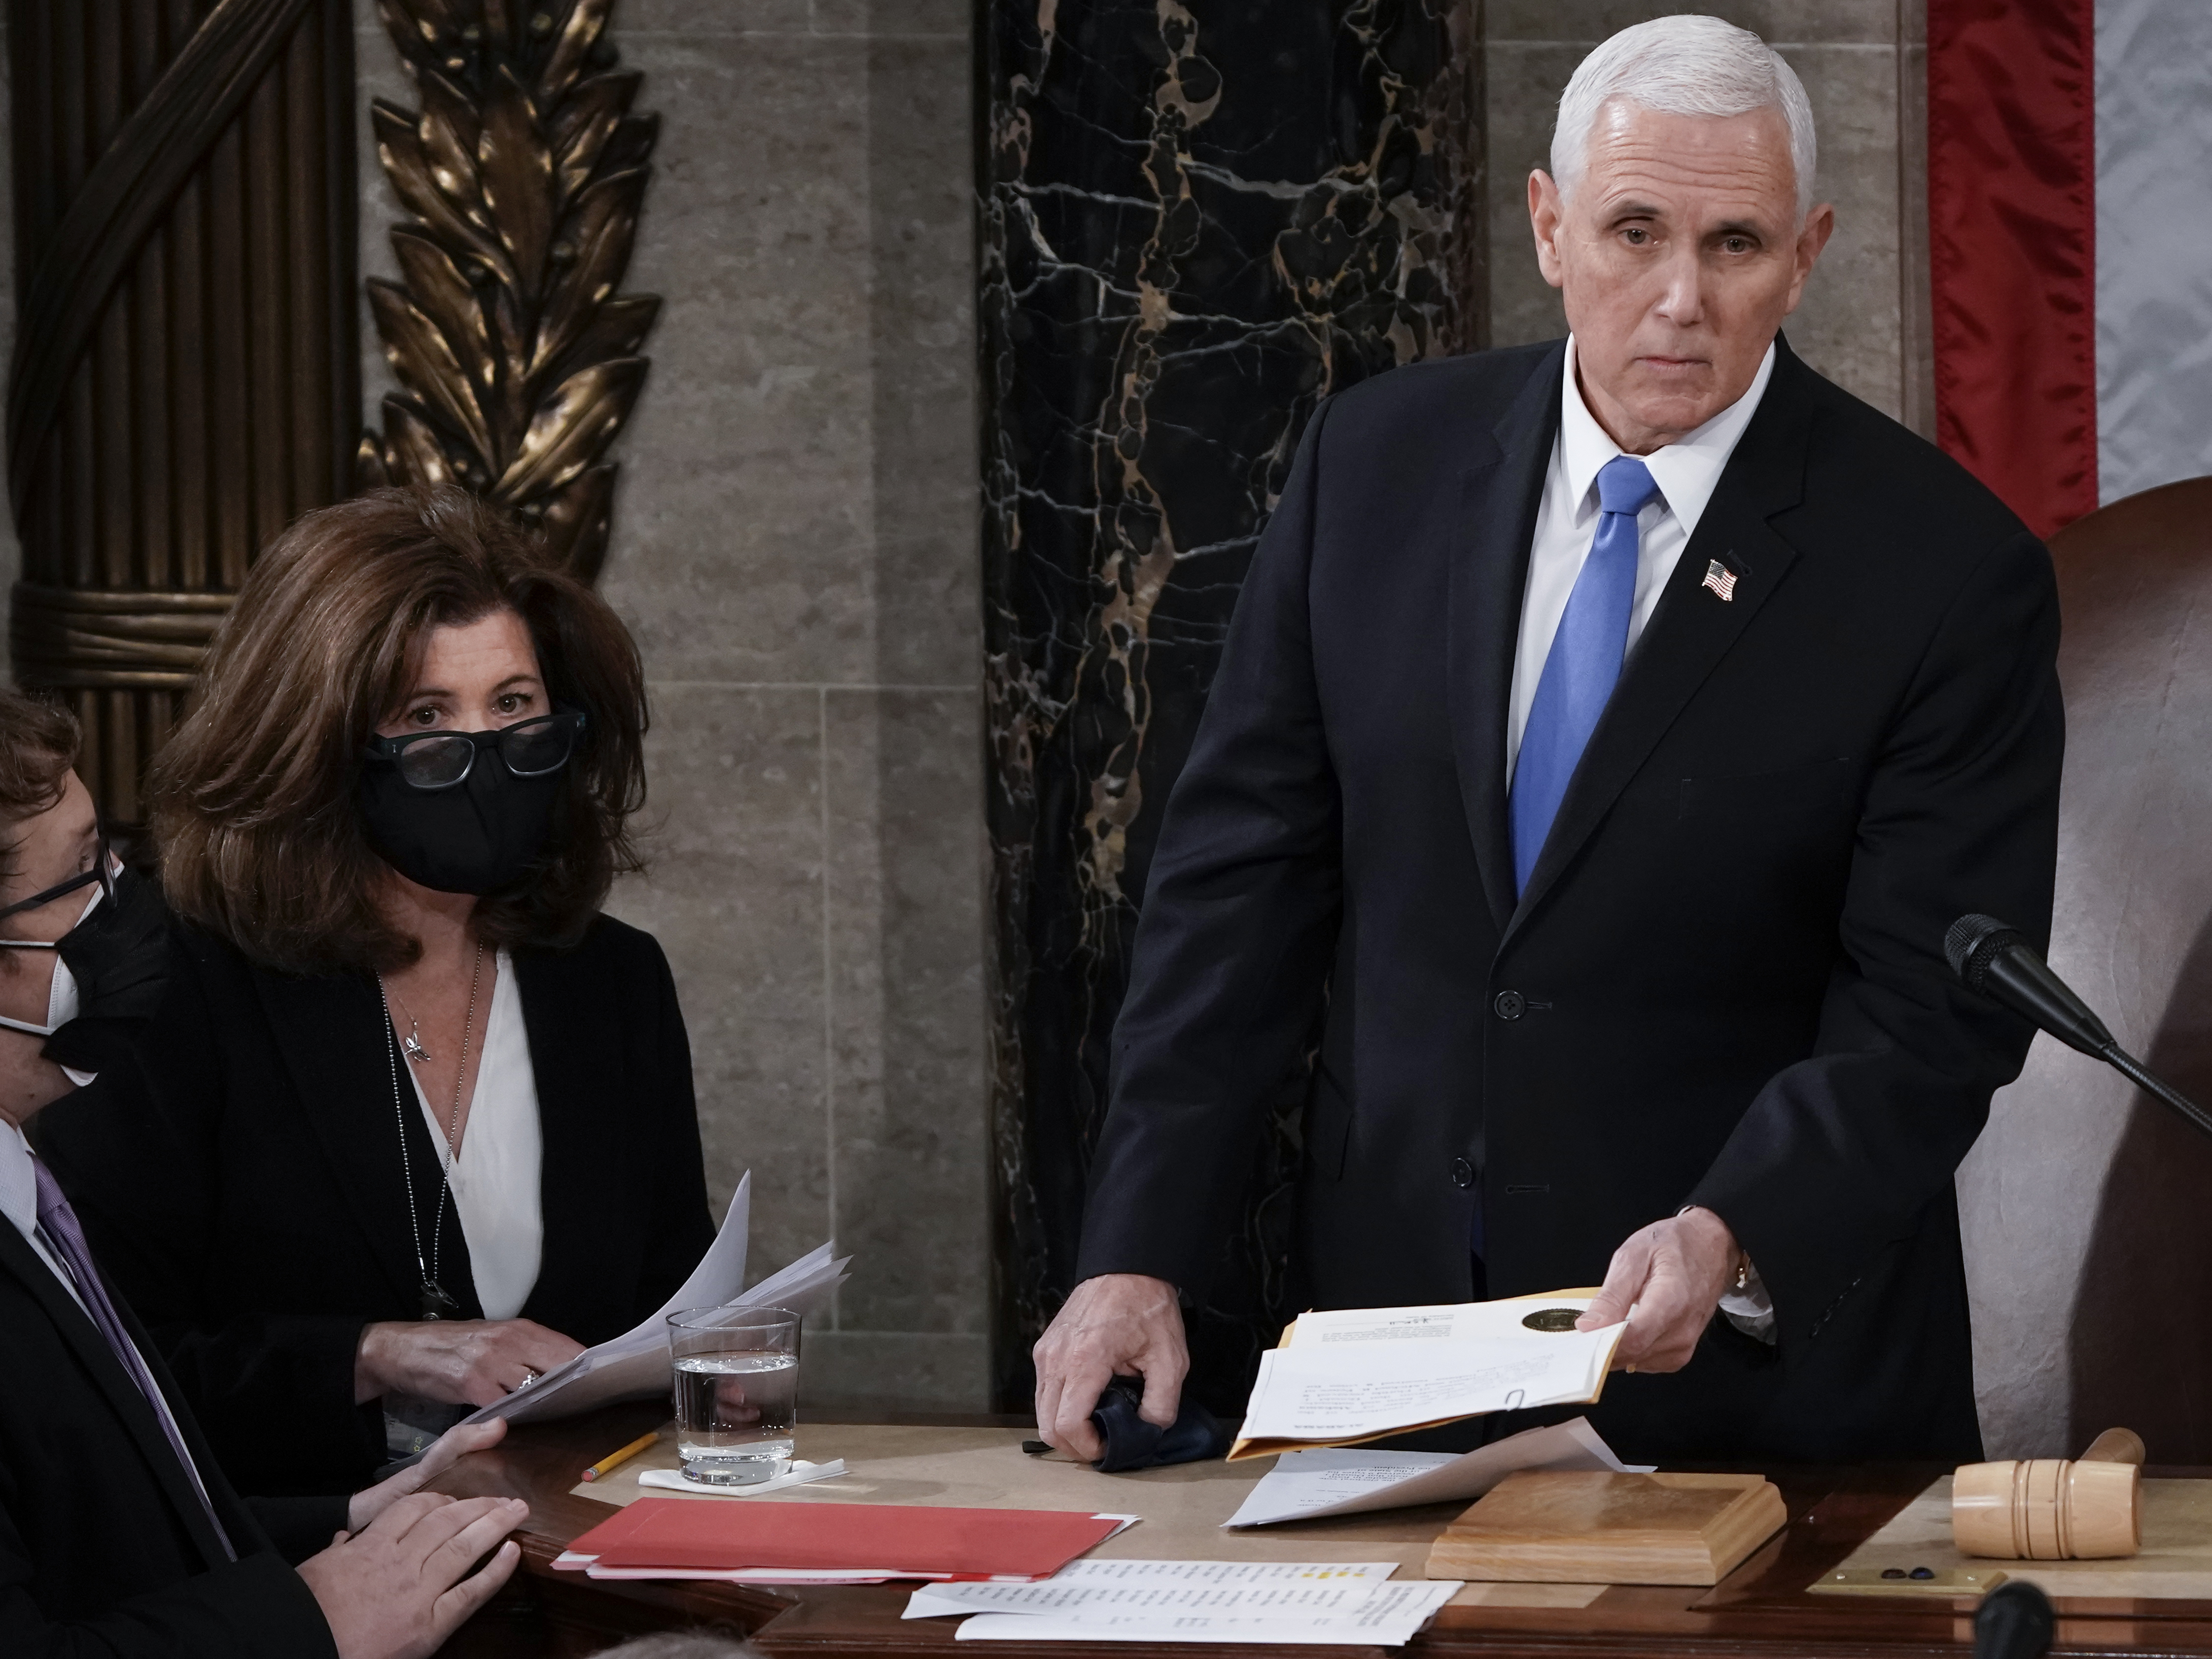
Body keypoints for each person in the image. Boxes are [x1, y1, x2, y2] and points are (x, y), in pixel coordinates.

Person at [1032, 15, 2063, 1466]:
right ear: (1547, 224)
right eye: (1634, 231)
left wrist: (1738, 1231)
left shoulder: (1947, 570)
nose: (1681, 299)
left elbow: (1931, 1008)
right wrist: (1133, 1247)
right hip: (1397, 1368)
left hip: (1762, 1408)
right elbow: (1235, 896)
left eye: (1737, 244)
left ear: (1810, 252)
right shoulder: (1371, 466)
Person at [39, 484, 716, 1495]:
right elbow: (102, 1370)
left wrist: (719, 1368)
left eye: (515, 707)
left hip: (572, 1565)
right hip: (284, 1578)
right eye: (428, 717)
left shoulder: (611, 981)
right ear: (314, 746)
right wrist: (367, 1354)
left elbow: (676, 1304)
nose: (486, 754)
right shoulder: (176, 981)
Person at [0, 685, 528, 1657]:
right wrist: (313, 1622)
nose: (125, 895)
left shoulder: (24, 1185)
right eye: (81, 875)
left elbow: (121, 1535)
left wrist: (368, 1515)